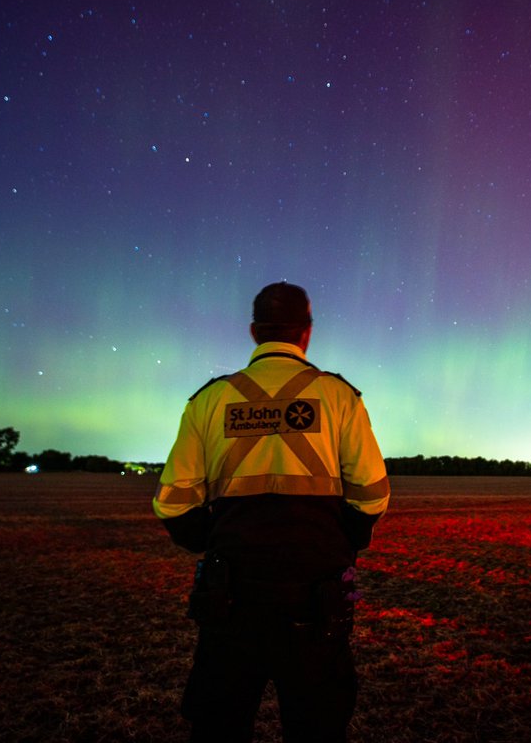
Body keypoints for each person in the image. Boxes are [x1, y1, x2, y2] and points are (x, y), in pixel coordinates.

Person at [153, 281, 390, 743]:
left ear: (253, 331)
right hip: (315, 600)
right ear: (307, 332)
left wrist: (214, 537)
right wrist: (344, 538)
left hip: (230, 598)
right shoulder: (339, 397)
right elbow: (373, 494)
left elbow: (172, 503)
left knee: (218, 726)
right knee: (318, 727)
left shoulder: (209, 400)